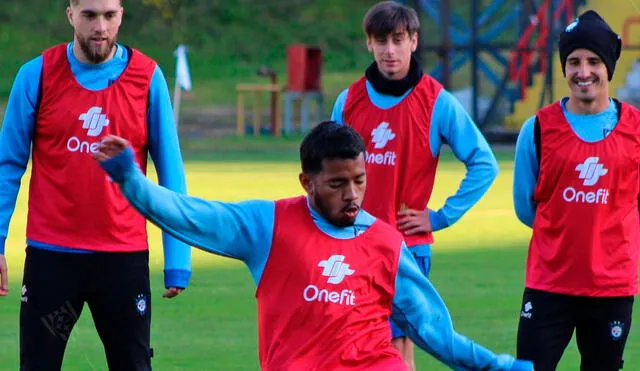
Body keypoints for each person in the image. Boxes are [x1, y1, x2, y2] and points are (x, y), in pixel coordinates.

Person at [93, 121, 533, 371]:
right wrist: (131, 179)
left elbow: (433, 330)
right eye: (338, 184)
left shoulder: (385, 242)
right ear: (307, 182)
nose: (353, 195)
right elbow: (191, 215)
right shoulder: (268, 225)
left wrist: (498, 366)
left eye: (359, 181)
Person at [0, 0, 191, 369]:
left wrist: (178, 260)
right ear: (70, 14)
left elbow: (171, 170)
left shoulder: (147, 77)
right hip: (52, 260)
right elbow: (7, 165)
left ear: (121, 14)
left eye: (109, 15)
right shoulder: (37, 75)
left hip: (122, 260)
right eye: (89, 15)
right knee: (38, 363)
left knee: (132, 365)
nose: (100, 27)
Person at [330, 2, 499, 368]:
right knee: (347, 344)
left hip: (405, 247)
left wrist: (441, 217)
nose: (389, 50)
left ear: (414, 41)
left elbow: (484, 163)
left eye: (398, 39)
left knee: (397, 345)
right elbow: (323, 173)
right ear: (368, 44)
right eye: (381, 40)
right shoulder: (347, 102)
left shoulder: (436, 102)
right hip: (350, 245)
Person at [513, 10, 637, 371]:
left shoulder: (636, 129)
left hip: (611, 286)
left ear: (609, 67)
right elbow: (525, 207)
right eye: (573, 62)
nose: (583, 72)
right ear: (563, 67)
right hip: (549, 283)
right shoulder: (537, 129)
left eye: (594, 61)